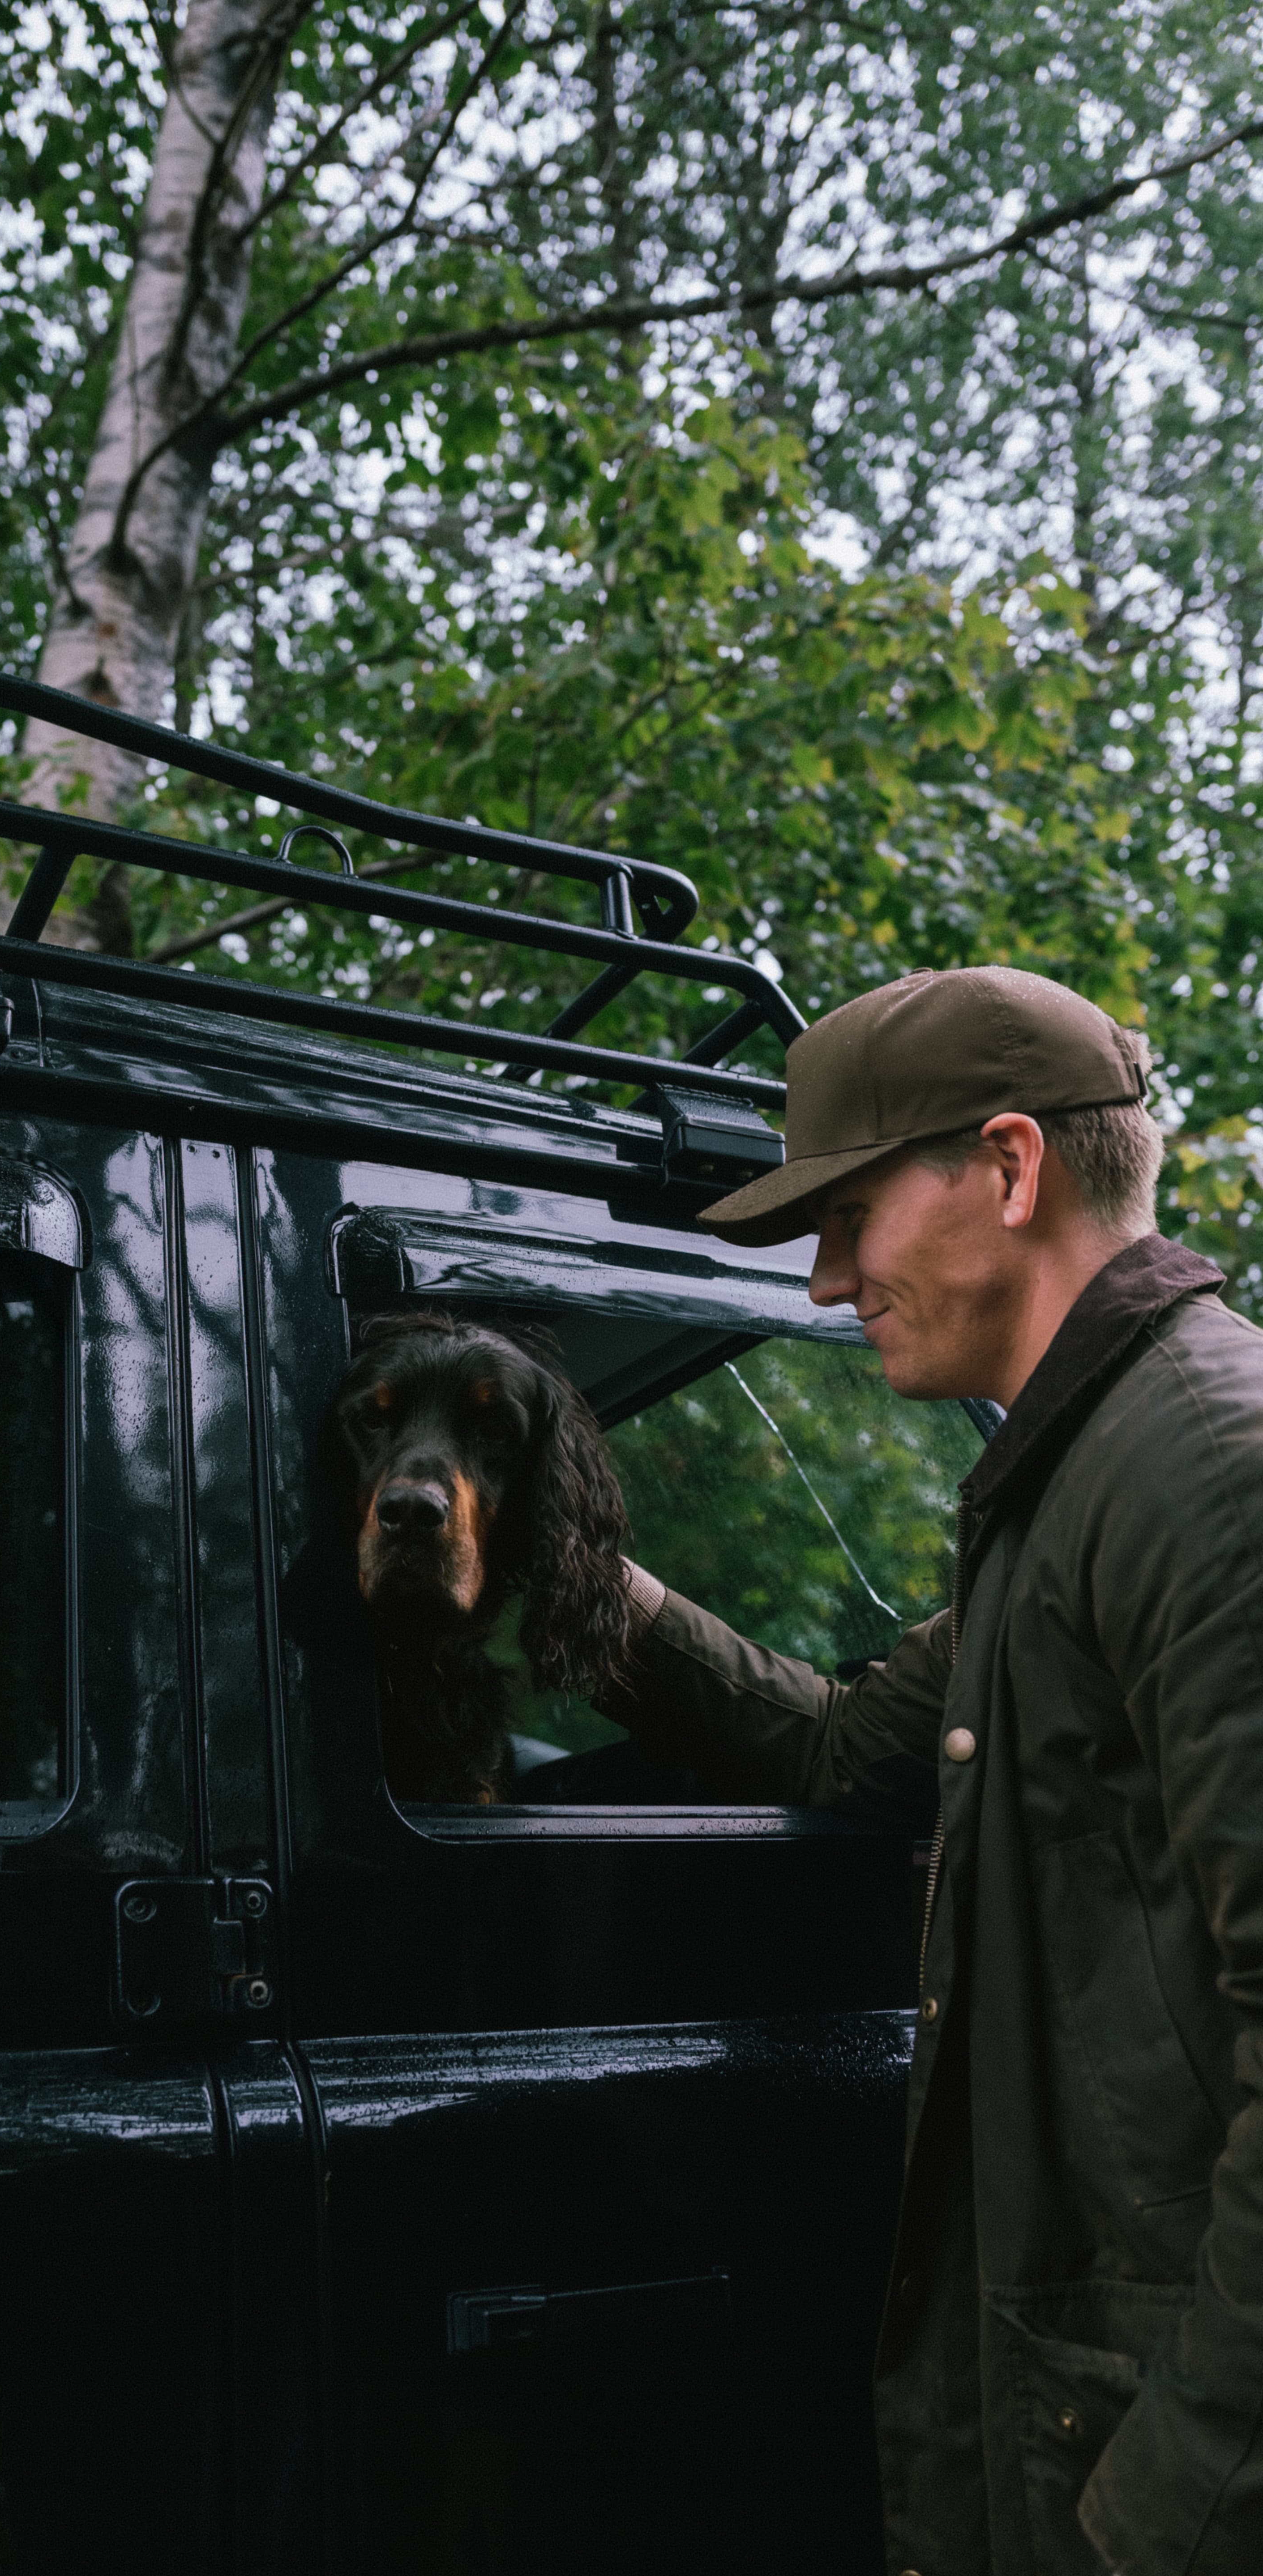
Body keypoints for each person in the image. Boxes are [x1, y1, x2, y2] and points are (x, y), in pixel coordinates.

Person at [605, 965, 1263, 2576]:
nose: (826, 1283)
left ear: (1015, 1168)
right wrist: (577, 1576)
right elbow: (842, 1744)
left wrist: (1159, 2518)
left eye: (848, 1215)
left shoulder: (1209, 1476)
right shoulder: (1075, 1476)